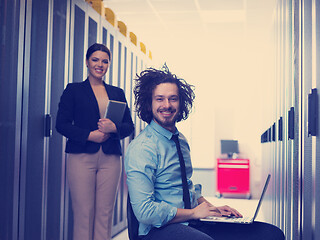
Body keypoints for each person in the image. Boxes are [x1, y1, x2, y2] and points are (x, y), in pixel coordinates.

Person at [124, 65, 285, 240]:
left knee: (270, 235)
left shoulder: (181, 141)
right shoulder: (142, 148)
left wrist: (213, 209)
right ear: (149, 104)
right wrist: (193, 213)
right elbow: (145, 212)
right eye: (160, 99)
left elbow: (187, 188)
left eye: (173, 99)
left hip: (192, 221)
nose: (167, 105)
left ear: (181, 102)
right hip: (158, 229)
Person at [56, 43, 134, 240]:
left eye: (105, 61)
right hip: (81, 157)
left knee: (104, 215)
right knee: (84, 214)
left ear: (108, 64)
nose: (100, 64)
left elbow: (129, 126)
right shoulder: (73, 90)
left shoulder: (117, 92)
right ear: (87, 62)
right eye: (95, 59)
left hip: (110, 159)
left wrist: (113, 128)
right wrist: (89, 135)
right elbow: (62, 124)